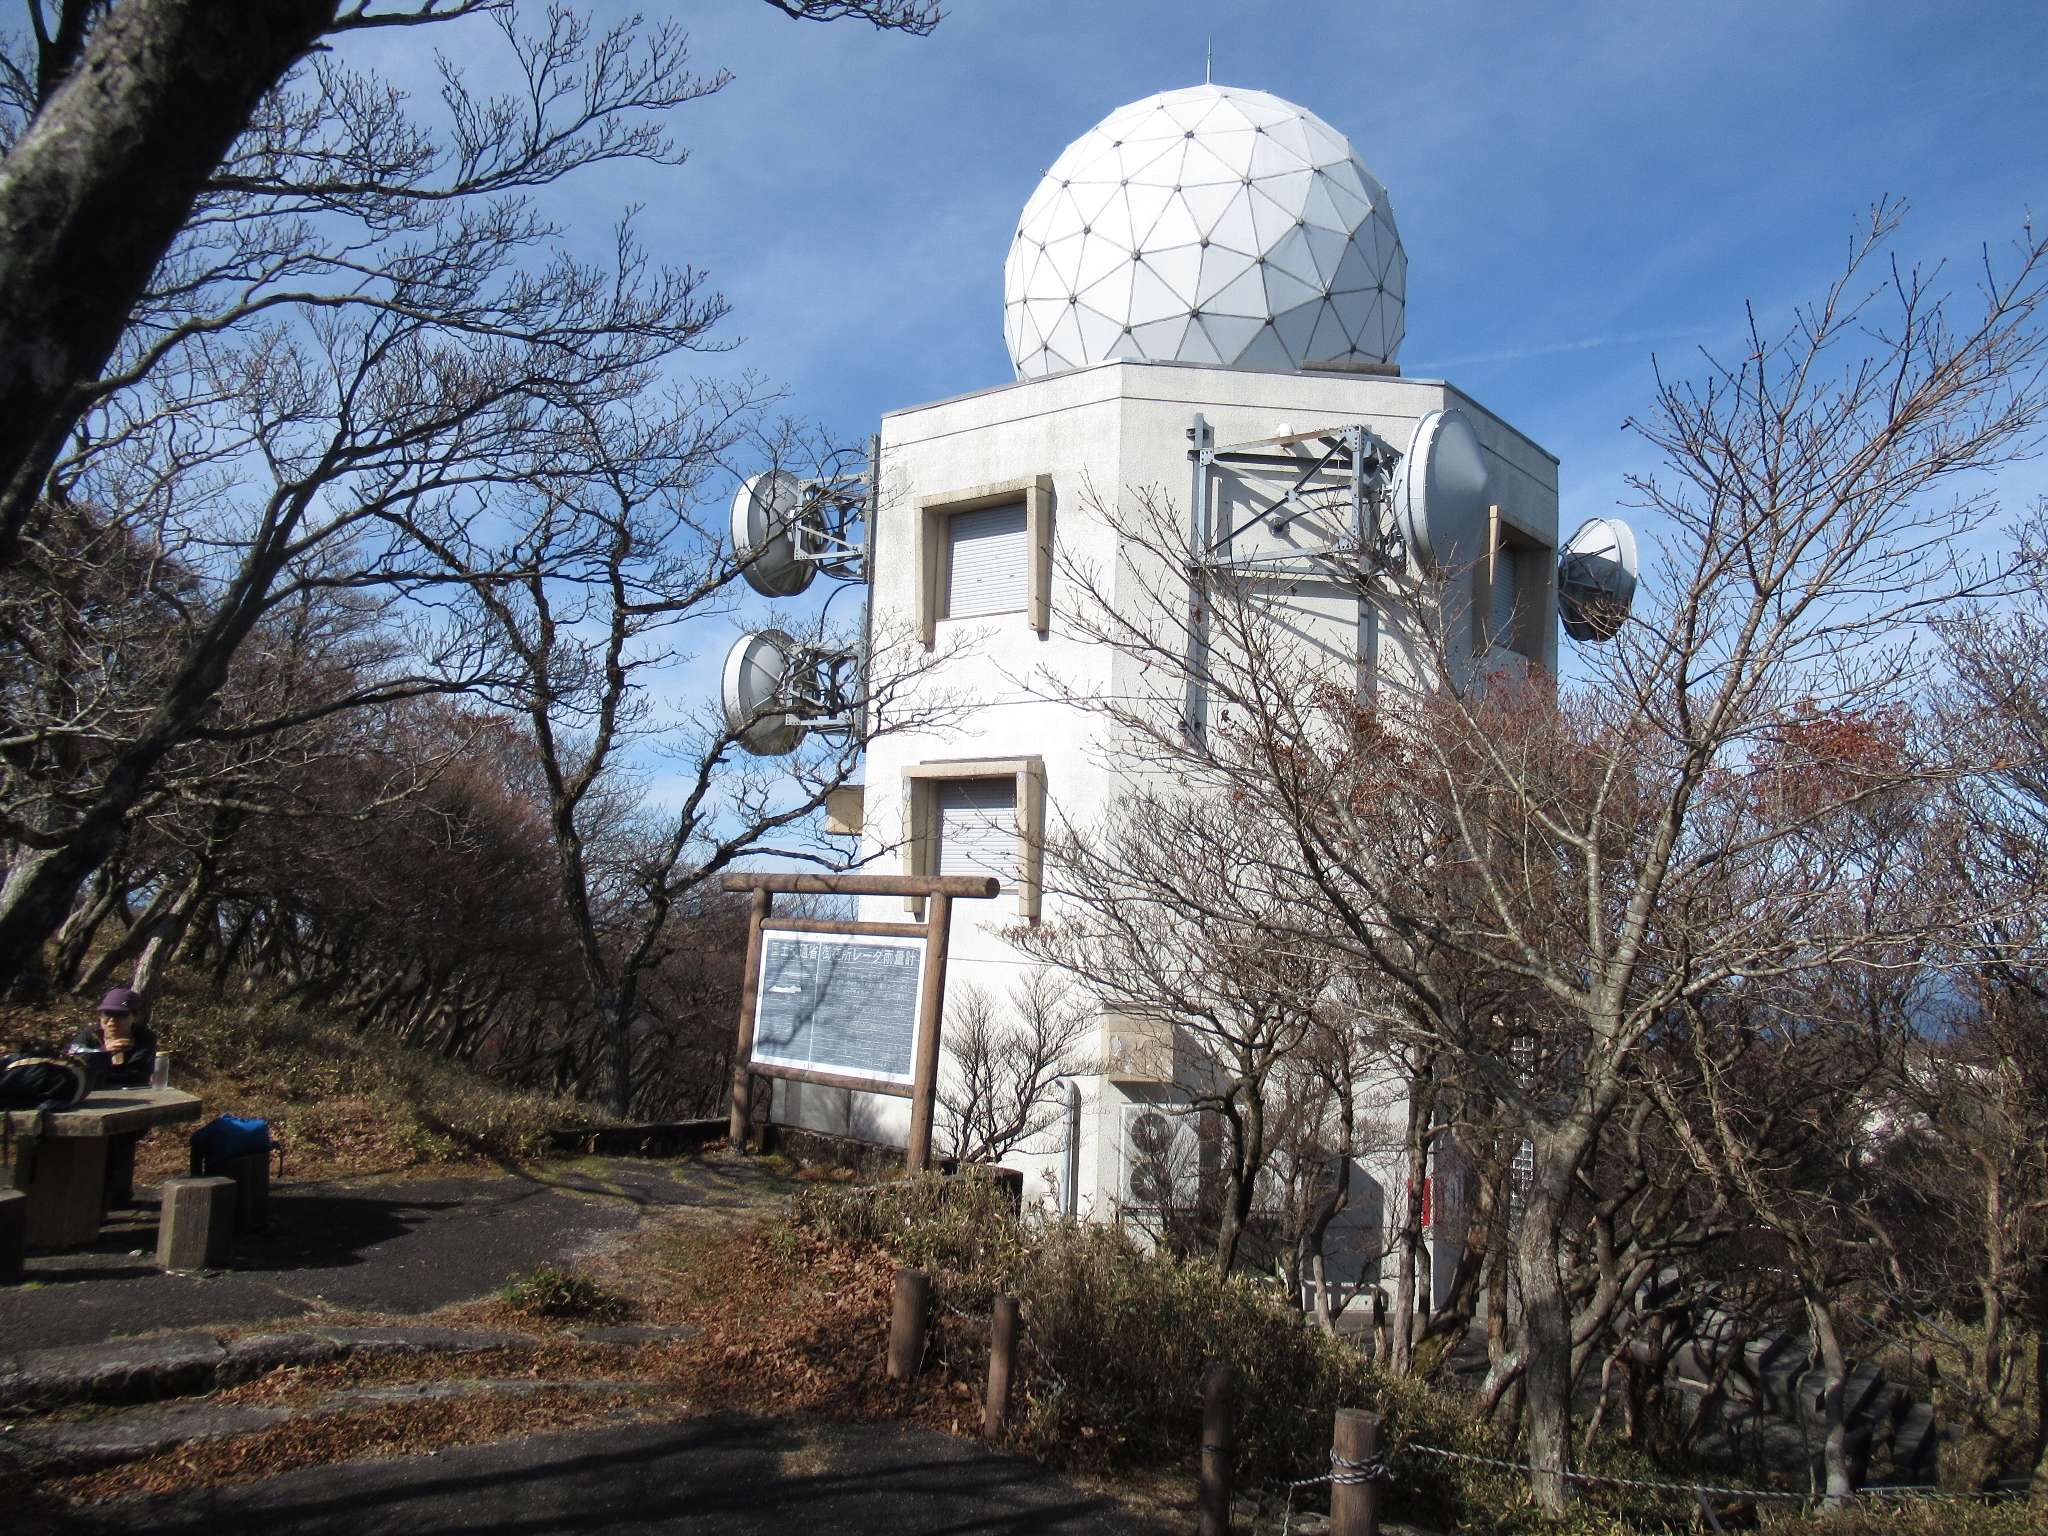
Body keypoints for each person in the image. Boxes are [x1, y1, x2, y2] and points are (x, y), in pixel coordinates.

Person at [89, 986, 156, 1087]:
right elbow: (70, 1060)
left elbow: (136, 1076)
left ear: (134, 1017)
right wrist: (103, 1052)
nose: (112, 1020)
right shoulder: (91, 1034)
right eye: (107, 1013)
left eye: (120, 1015)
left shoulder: (144, 1038)